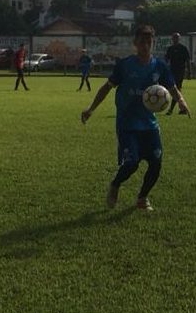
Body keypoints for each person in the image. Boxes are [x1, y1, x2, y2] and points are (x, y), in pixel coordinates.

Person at [80, 25, 190, 212]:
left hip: (149, 124)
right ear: (135, 43)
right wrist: (91, 109)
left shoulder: (159, 66)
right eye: (141, 42)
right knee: (131, 163)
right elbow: (107, 87)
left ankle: (142, 198)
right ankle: (115, 185)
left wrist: (181, 101)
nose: (145, 46)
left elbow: (172, 88)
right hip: (127, 124)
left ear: (153, 43)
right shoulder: (125, 65)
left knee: (156, 163)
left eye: (149, 42)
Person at [164, 32, 190, 114]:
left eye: (177, 38)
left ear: (179, 39)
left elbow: (187, 60)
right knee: (174, 90)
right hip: (172, 72)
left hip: (180, 72)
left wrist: (189, 71)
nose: (175, 39)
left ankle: (171, 110)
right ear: (172, 39)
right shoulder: (170, 49)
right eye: (174, 38)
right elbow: (166, 59)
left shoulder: (183, 48)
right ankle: (183, 109)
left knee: (176, 89)